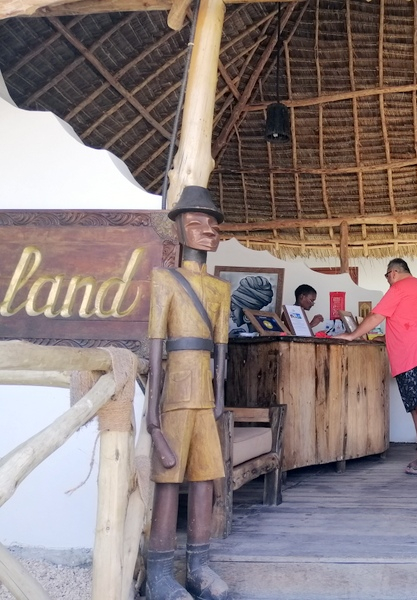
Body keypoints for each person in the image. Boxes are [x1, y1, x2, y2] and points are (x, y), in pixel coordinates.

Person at [146, 186, 231, 600]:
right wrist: (152, 415)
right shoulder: (164, 279)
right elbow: (156, 345)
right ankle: (160, 572)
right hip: (177, 392)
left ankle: (199, 564)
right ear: (178, 229)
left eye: (213, 225)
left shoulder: (220, 290)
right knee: (168, 479)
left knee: (204, 480)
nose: (207, 232)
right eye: (197, 224)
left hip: (205, 394)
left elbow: (222, 350)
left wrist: (220, 397)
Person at [336, 258, 417, 475]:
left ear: (393, 273)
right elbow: (410, 322)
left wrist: (352, 335)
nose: (387, 281)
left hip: (415, 355)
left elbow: (376, 315)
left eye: (386, 277)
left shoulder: (400, 287)